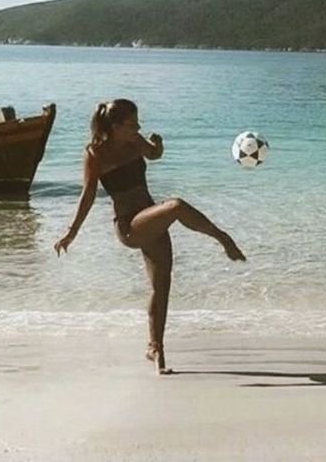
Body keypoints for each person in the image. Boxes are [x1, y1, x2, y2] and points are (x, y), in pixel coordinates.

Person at [54, 99, 246, 375]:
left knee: (161, 287)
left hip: (152, 219)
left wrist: (159, 145)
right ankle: (223, 238)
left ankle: (155, 348)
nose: (138, 127)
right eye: (132, 123)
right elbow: (88, 195)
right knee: (177, 205)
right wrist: (71, 232)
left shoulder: (135, 141)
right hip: (130, 227)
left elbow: (153, 154)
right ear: (116, 126)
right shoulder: (96, 154)